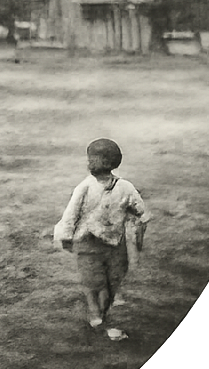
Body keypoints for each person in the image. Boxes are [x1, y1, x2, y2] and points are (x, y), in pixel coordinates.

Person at [53, 138, 151, 340]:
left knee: (114, 278)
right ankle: (95, 314)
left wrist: (139, 223)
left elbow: (140, 209)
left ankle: (104, 311)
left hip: (114, 243)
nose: (91, 163)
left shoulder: (124, 187)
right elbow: (71, 213)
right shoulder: (85, 187)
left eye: (97, 159)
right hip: (87, 242)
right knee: (93, 280)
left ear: (112, 162)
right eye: (90, 159)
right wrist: (66, 236)